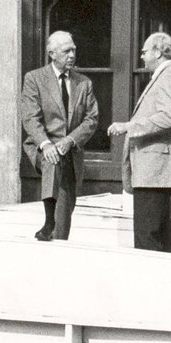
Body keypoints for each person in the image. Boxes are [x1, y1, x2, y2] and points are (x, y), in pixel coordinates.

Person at [108, 32, 171, 253]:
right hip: (153, 172)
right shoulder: (167, 75)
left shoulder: (170, 76)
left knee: (147, 238)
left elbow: (169, 116)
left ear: (158, 51)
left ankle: (151, 285)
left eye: (144, 52)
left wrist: (128, 126)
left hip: (155, 172)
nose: (142, 57)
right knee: (160, 237)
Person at [21, 31, 98, 241]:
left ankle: (57, 237)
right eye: (67, 51)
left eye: (74, 50)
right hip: (41, 146)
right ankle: (49, 222)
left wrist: (70, 140)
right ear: (52, 54)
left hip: (70, 149)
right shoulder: (35, 79)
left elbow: (91, 119)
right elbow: (29, 118)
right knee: (53, 160)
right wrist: (46, 144)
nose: (72, 55)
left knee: (65, 197)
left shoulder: (84, 83)